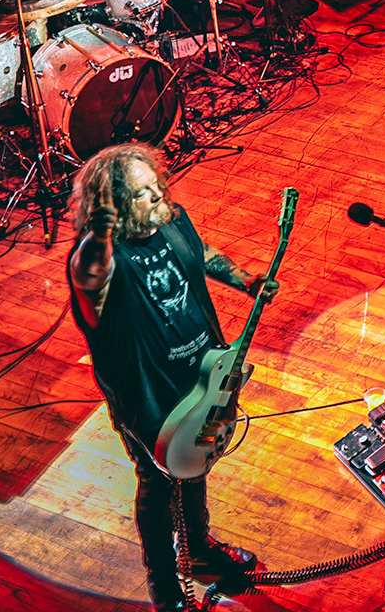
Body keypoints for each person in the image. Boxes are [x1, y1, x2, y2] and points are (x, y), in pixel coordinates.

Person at [67, 143, 276, 612]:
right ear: (117, 209)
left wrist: (245, 280)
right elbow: (89, 275)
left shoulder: (169, 220)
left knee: (197, 460)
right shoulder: (103, 261)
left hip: (203, 375)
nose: (160, 194)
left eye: (157, 183)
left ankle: (198, 548)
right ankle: (164, 585)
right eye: (145, 192)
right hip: (151, 397)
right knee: (158, 481)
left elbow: (198, 251)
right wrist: (99, 228)